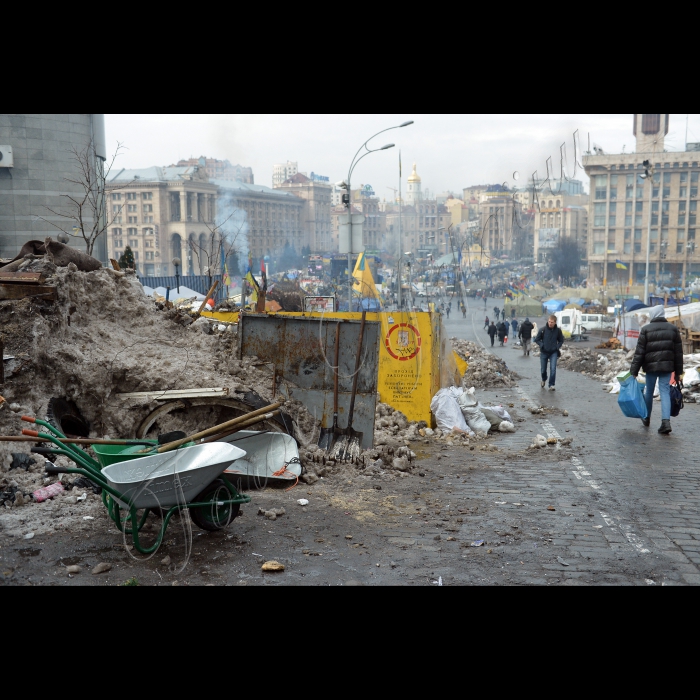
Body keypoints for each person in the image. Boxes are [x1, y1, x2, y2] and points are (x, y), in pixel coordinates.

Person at [630, 305, 684, 434]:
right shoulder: (673, 329)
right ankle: (665, 422)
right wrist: (678, 372)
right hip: (667, 367)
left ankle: (646, 417)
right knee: (664, 391)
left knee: (649, 392)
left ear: (653, 315)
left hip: (651, 367)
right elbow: (678, 353)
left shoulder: (646, 330)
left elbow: (639, 353)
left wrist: (634, 371)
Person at [535, 314, 564, 391]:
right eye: (549, 321)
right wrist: (542, 345)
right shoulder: (542, 330)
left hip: (553, 352)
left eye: (552, 322)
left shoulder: (558, 331)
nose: (550, 323)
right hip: (544, 352)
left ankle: (551, 385)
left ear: (555, 322)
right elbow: (537, 339)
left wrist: (557, 347)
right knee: (543, 370)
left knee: (553, 369)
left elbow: (561, 340)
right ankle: (544, 379)